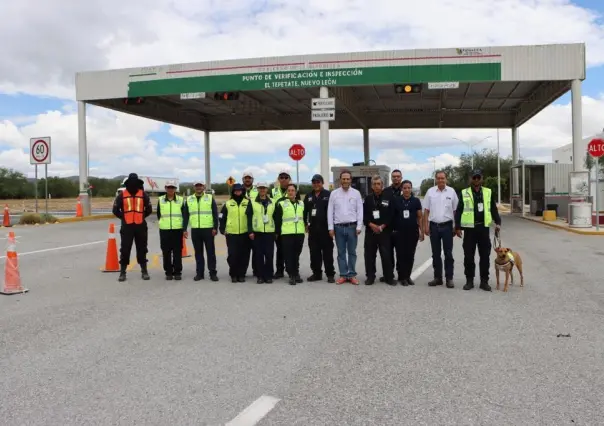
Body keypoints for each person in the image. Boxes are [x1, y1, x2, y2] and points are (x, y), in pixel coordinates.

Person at [455, 169, 502, 291]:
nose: (476, 180)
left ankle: (484, 281)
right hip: (470, 229)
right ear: (471, 179)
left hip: (483, 228)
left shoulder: (488, 192)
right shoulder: (464, 192)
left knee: (485, 256)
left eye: (478, 177)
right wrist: (458, 227)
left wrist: (498, 222)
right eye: (474, 177)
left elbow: (493, 208)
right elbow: (459, 210)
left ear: (482, 178)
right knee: (469, 256)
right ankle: (469, 281)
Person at [112, 173, 153, 282]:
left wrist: (141, 216)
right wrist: (124, 218)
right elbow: (115, 210)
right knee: (125, 249)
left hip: (140, 226)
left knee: (142, 249)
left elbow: (149, 209)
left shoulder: (143, 195)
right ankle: (122, 272)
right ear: (127, 184)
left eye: (135, 183)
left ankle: (144, 271)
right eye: (131, 183)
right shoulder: (121, 195)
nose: (133, 185)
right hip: (127, 226)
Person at [423, 170, 458, 288]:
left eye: (443, 178)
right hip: (434, 226)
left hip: (447, 226)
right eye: (438, 178)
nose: (440, 180)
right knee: (435, 254)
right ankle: (437, 278)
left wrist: (456, 226)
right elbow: (426, 211)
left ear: (446, 179)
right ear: (436, 179)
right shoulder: (430, 192)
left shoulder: (452, 192)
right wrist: (425, 226)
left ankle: (449, 278)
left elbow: (455, 211)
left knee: (448, 254)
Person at [327, 170, 364, 285]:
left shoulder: (356, 193)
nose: (346, 181)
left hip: (352, 227)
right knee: (341, 252)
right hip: (338, 228)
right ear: (340, 180)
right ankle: (343, 275)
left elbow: (360, 210)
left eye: (348, 179)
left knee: (352, 252)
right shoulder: (334, 194)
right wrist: (330, 227)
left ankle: (352, 275)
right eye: (344, 179)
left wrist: (359, 226)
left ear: (351, 180)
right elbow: (330, 211)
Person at [363, 175, 395, 285]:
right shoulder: (367, 198)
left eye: (378, 184)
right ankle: (370, 277)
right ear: (372, 186)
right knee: (369, 256)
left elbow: (391, 214)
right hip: (370, 231)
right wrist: (371, 225)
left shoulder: (388, 197)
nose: (377, 186)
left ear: (382, 185)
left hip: (384, 231)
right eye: (374, 184)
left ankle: (388, 277)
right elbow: (364, 215)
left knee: (386, 256)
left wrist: (382, 226)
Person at [303, 174, 335, 283]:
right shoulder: (308, 196)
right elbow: (305, 211)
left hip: (325, 229)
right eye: (314, 182)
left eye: (318, 182)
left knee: (328, 254)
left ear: (322, 183)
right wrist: (305, 223)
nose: (316, 184)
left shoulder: (329, 195)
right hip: (313, 230)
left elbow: (334, 211)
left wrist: (332, 227)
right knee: (314, 253)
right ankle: (316, 274)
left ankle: (330, 274)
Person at [393, 179, 424, 286]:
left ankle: (407, 276)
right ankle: (402, 277)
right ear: (402, 189)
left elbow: (420, 217)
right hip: (399, 233)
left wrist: (422, 231)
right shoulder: (396, 200)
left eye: (409, 188)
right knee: (401, 255)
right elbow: (392, 217)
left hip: (412, 232)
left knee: (410, 255)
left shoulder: (416, 201)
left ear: (411, 189)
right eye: (404, 188)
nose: (406, 190)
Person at [187, 180, 219, 282]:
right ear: (194, 187)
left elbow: (215, 214)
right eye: (197, 186)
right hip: (195, 229)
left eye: (200, 186)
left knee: (211, 253)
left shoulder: (209, 198)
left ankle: (212, 273)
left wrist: (215, 227)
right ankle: (199, 273)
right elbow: (186, 215)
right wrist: (184, 229)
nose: (198, 187)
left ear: (203, 187)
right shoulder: (189, 199)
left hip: (208, 229)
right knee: (198, 253)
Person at [157, 180, 189, 280]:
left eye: (172, 187)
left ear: (175, 189)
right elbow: (159, 214)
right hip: (164, 229)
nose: (170, 189)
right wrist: (163, 223)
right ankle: (168, 272)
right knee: (166, 252)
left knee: (177, 251)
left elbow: (184, 215)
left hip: (177, 229)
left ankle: (178, 272)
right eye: (169, 187)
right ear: (166, 188)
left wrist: (184, 229)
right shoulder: (161, 199)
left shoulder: (180, 200)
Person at [219, 183, 251, 283]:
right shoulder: (228, 203)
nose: (238, 192)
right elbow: (221, 216)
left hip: (245, 233)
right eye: (236, 190)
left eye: (239, 190)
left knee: (244, 255)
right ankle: (233, 274)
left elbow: (251, 217)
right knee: (232, 255)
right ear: (233, 191)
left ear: (242, 191)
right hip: (231, 233)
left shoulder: (248, 202)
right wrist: (222, 228)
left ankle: (242, 274)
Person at [274, 184, 305, 285]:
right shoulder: (281, 204)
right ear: (287, 192)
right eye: (289, 190)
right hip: (287, 234)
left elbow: (304, 217)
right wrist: (277, 233)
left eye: (293, 190)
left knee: (296, 255)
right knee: (288, 255)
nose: (291, 192)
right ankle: (291, 275)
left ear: (296, 192)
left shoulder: (301, 204)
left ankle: (296, 273)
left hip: (299, 233)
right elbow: (277, 220)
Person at [246, 182, 276, 284]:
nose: (262, 190)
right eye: (260, 188)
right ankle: (260, 276)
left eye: (264, 188)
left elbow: (276, 217)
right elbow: (249, 217)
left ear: (267, 190)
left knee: (269, 255)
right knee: (258, 255)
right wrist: (250, 231)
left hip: (269, 232)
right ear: (258, 189)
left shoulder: (273, 201)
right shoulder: (253, 202)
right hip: (257, 232)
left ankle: (268, 276)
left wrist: (276, 232)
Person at [382, 169, 403, 282]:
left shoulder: (405, 190)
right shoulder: (386, 191)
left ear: (401, 177)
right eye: (394, 176)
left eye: (398, 176)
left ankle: (402, 275)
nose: (396, 178)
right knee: (388, 254)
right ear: (391, 178)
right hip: (388, 228)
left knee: (400, 253)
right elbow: (383, 208)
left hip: (401, 228)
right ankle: (388, 275)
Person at [271, 169, 291, 279]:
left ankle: (291, 270)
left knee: (289, 250)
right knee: (280, 249)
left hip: (289, 225)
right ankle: (279, 270)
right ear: (278, 179)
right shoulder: (273, 191)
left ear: (289, 179)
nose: (283, 179)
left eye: (286, 177)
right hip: (277, 224)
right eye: (281, 177)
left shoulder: (292, 190)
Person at [242, 170, 259, 278]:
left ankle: (256, 271)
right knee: (244, 252)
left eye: (249, 178)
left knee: (256, 251)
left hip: (255, 225)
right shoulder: (238, 190)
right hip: (243, 225)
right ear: (243, 179)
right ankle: (242, 272)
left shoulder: (257, 191)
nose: (247, 179)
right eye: (245, 178)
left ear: (252, 180)